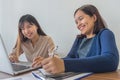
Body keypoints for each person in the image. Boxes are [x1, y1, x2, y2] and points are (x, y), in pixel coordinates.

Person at [37, 4, 119, 74]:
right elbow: (69, 58)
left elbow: (111, 61)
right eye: (76, 22)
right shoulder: (79, 39)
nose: (78, 24)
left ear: (94, 18)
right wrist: (48, 62)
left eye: (81, 19)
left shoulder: (105, 34)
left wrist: (65, 64)